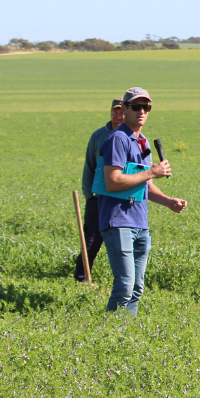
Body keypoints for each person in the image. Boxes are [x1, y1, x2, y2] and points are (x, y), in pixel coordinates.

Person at [96, 87, 187, 314]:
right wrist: (151, 172)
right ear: (125, 109)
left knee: (136, 288)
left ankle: (127, 336)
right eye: (136, 106)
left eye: (146, 107)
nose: (142, 111)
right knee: (124, 287)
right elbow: (112, 181)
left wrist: (168, 201)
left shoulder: (142, 140)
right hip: (118, 221)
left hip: (139, 222)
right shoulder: (118, 139)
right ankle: (109, 335)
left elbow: (143, 182)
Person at [77, 99, 124, 282]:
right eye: (115, 111)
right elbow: (89, 166)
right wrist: (89, 197)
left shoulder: (131, 136)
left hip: (120, 198)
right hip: (98, 198)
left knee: (121, 242)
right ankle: (81, 277)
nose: (118, 116)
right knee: (91, 241)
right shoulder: (98, 136)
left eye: (122, 112)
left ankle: (120, 282)